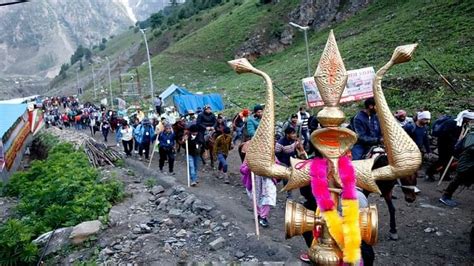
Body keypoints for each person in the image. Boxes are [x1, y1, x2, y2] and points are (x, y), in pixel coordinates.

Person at [426, 110, 474, 181]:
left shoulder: (462, 124)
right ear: (467, 118)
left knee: (448, 160)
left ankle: (445, 176)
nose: (472, 121)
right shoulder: (452, 123)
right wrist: (454, 141)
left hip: (451, 144)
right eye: (471, 119)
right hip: (444, 144)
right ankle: (429, 172)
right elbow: (446, 134)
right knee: (442, 160)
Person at [439, 123, 474, 207]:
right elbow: (470, 149)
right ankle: (445, 196)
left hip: (471, 163)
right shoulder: (472, 136)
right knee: (458, 179)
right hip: (466, 162)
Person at [240, 160, 276, 228]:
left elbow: (276, 165)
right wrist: (249, 167)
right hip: (254, 180)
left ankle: (263, 217)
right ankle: (258, 214)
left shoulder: (270, 153)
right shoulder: (251, 155)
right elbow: (242, 170)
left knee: (268, 197)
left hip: (267, 180)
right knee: (255, 197)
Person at [275, 127, 300, 198]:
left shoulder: (294, 141)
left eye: (294, 133)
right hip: (282, 162)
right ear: (287, 134)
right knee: (286, 176)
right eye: (292, 133)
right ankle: (288, 193)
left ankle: (287, 190)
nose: (294, 135)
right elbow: (277, 156)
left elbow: (296, 150)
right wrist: (280, 164)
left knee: (287, 177)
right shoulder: (280, 144)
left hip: (291, 161)